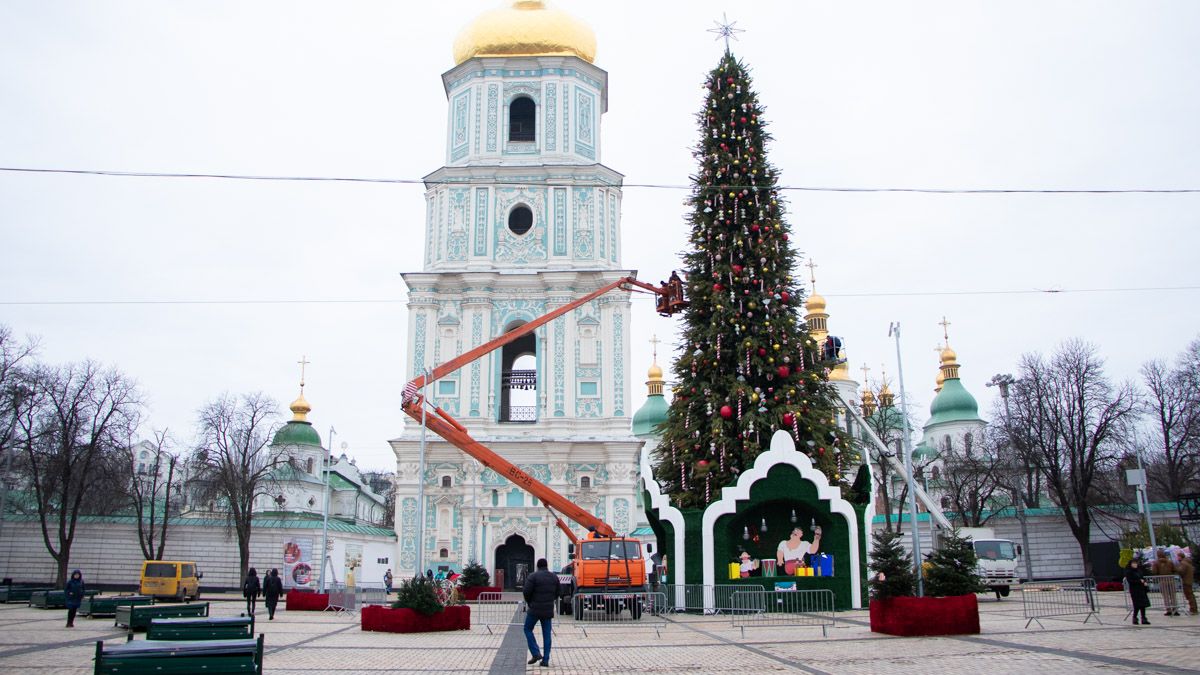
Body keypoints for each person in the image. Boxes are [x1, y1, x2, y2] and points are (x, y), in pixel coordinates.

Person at [522, 558, 560, 668]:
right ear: (547, 565)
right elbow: (558, 592)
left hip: (534, 609)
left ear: (537, 566)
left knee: (527, 629)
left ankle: (536, 653)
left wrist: (530, 602)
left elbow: (526, 591)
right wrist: (550, 600)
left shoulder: (533, 576)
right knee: (547, 634)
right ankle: (546, 660)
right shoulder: (554, 577)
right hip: (548, 610)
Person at [1152, 549, 1181, 616]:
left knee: (1166, 596)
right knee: (1173, 596)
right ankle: (1175, 610)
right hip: (1171, 580)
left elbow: (1154, 572)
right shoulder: (1170, 562)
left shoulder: (1156, 563)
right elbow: (1175, 569)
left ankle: (1168, 610)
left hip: (1162, 580)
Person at [1126, 557, 1151, 625]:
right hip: (1135, 590)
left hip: (1141, 589)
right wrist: (1139, 581)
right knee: (1137, 605)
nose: (1135, 564)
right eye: (1133, 563)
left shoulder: (1139, 571)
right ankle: (1135, 617)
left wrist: (1144, 582)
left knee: (1143, 605)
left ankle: (1144, 618)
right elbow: (1130, 581)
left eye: (1136, 563)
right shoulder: (1129, 572)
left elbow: (1142, 578)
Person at [1177, 550, 1196, 615]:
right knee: (1191, 595)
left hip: (1186, 581)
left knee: (1189, 595)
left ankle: (1193, 609)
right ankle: (1194, 609)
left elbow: (1181, 571)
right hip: (1189, 580)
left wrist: (1177, 569)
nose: (1177, 558)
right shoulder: (1188, 562)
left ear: (1180, 557)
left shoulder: (1183, 563)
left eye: (1178, 557)